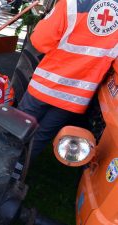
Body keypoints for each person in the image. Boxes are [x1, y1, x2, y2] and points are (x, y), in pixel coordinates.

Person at [18, 0, 118, 159]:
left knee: (17, 130)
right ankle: (19, 171)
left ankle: (2, 171)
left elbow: (40, 41)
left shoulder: (72, 3)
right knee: (39, 138)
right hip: (74, 98)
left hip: (45, 86)